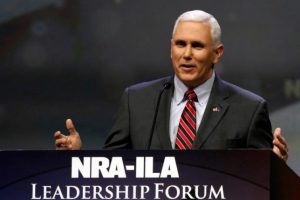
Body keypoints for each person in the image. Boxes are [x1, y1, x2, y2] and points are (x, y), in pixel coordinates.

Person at [54, 10, 288, 161]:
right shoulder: (136, 100)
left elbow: (260, 185)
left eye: (196, 46)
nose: (186, 54)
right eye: (180, 44)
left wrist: (276, 168)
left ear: (217, 53)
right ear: (171, 48)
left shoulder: (248, 109)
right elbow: (113, 171)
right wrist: (78, 159)